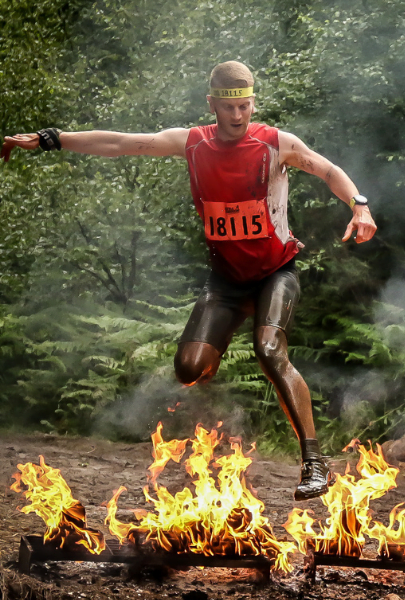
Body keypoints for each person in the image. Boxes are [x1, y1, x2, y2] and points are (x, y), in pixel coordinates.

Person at [2, 60, 377, 501]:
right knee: (189, 369)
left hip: (276, 274)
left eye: (246, 107)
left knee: (270, 350)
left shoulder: (276, 144)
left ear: (253, 102)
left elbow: (327, 169)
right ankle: (217, 391)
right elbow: (123, 143)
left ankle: (314, 462)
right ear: (213, 104)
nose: (238, 117)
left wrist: (359, 204)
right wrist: (52, 139)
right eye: (229, 108)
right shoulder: (193, 143)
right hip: (225, 284)